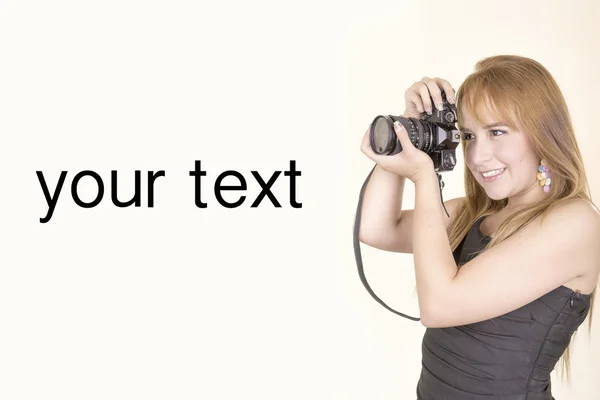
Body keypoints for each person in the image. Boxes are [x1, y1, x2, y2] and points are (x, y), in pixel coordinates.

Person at [358, 55, 600, 399]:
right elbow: (377, 228)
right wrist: (405, 129)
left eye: (497, 132)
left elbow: (439, 306)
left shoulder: (576, 222)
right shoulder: (476, 214)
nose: (477, 157)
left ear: (543, 133)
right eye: (469, 135)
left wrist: (424, 177)